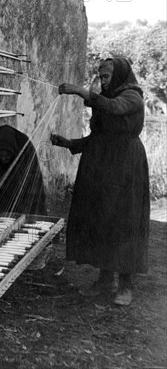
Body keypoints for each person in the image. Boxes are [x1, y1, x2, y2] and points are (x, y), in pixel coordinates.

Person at [51, 57, 150, 306]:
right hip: (102, 166)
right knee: (103, 218)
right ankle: (106, 280)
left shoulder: (132, 96)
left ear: (119, 75)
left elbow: (115, 107)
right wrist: (70, 143)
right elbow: (99, 136)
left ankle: (125, 285)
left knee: (123, 221)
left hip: (126, 166)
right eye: (101, 77)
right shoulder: (106, 99)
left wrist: (82, 92)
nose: (103, 81)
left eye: (106, 76)